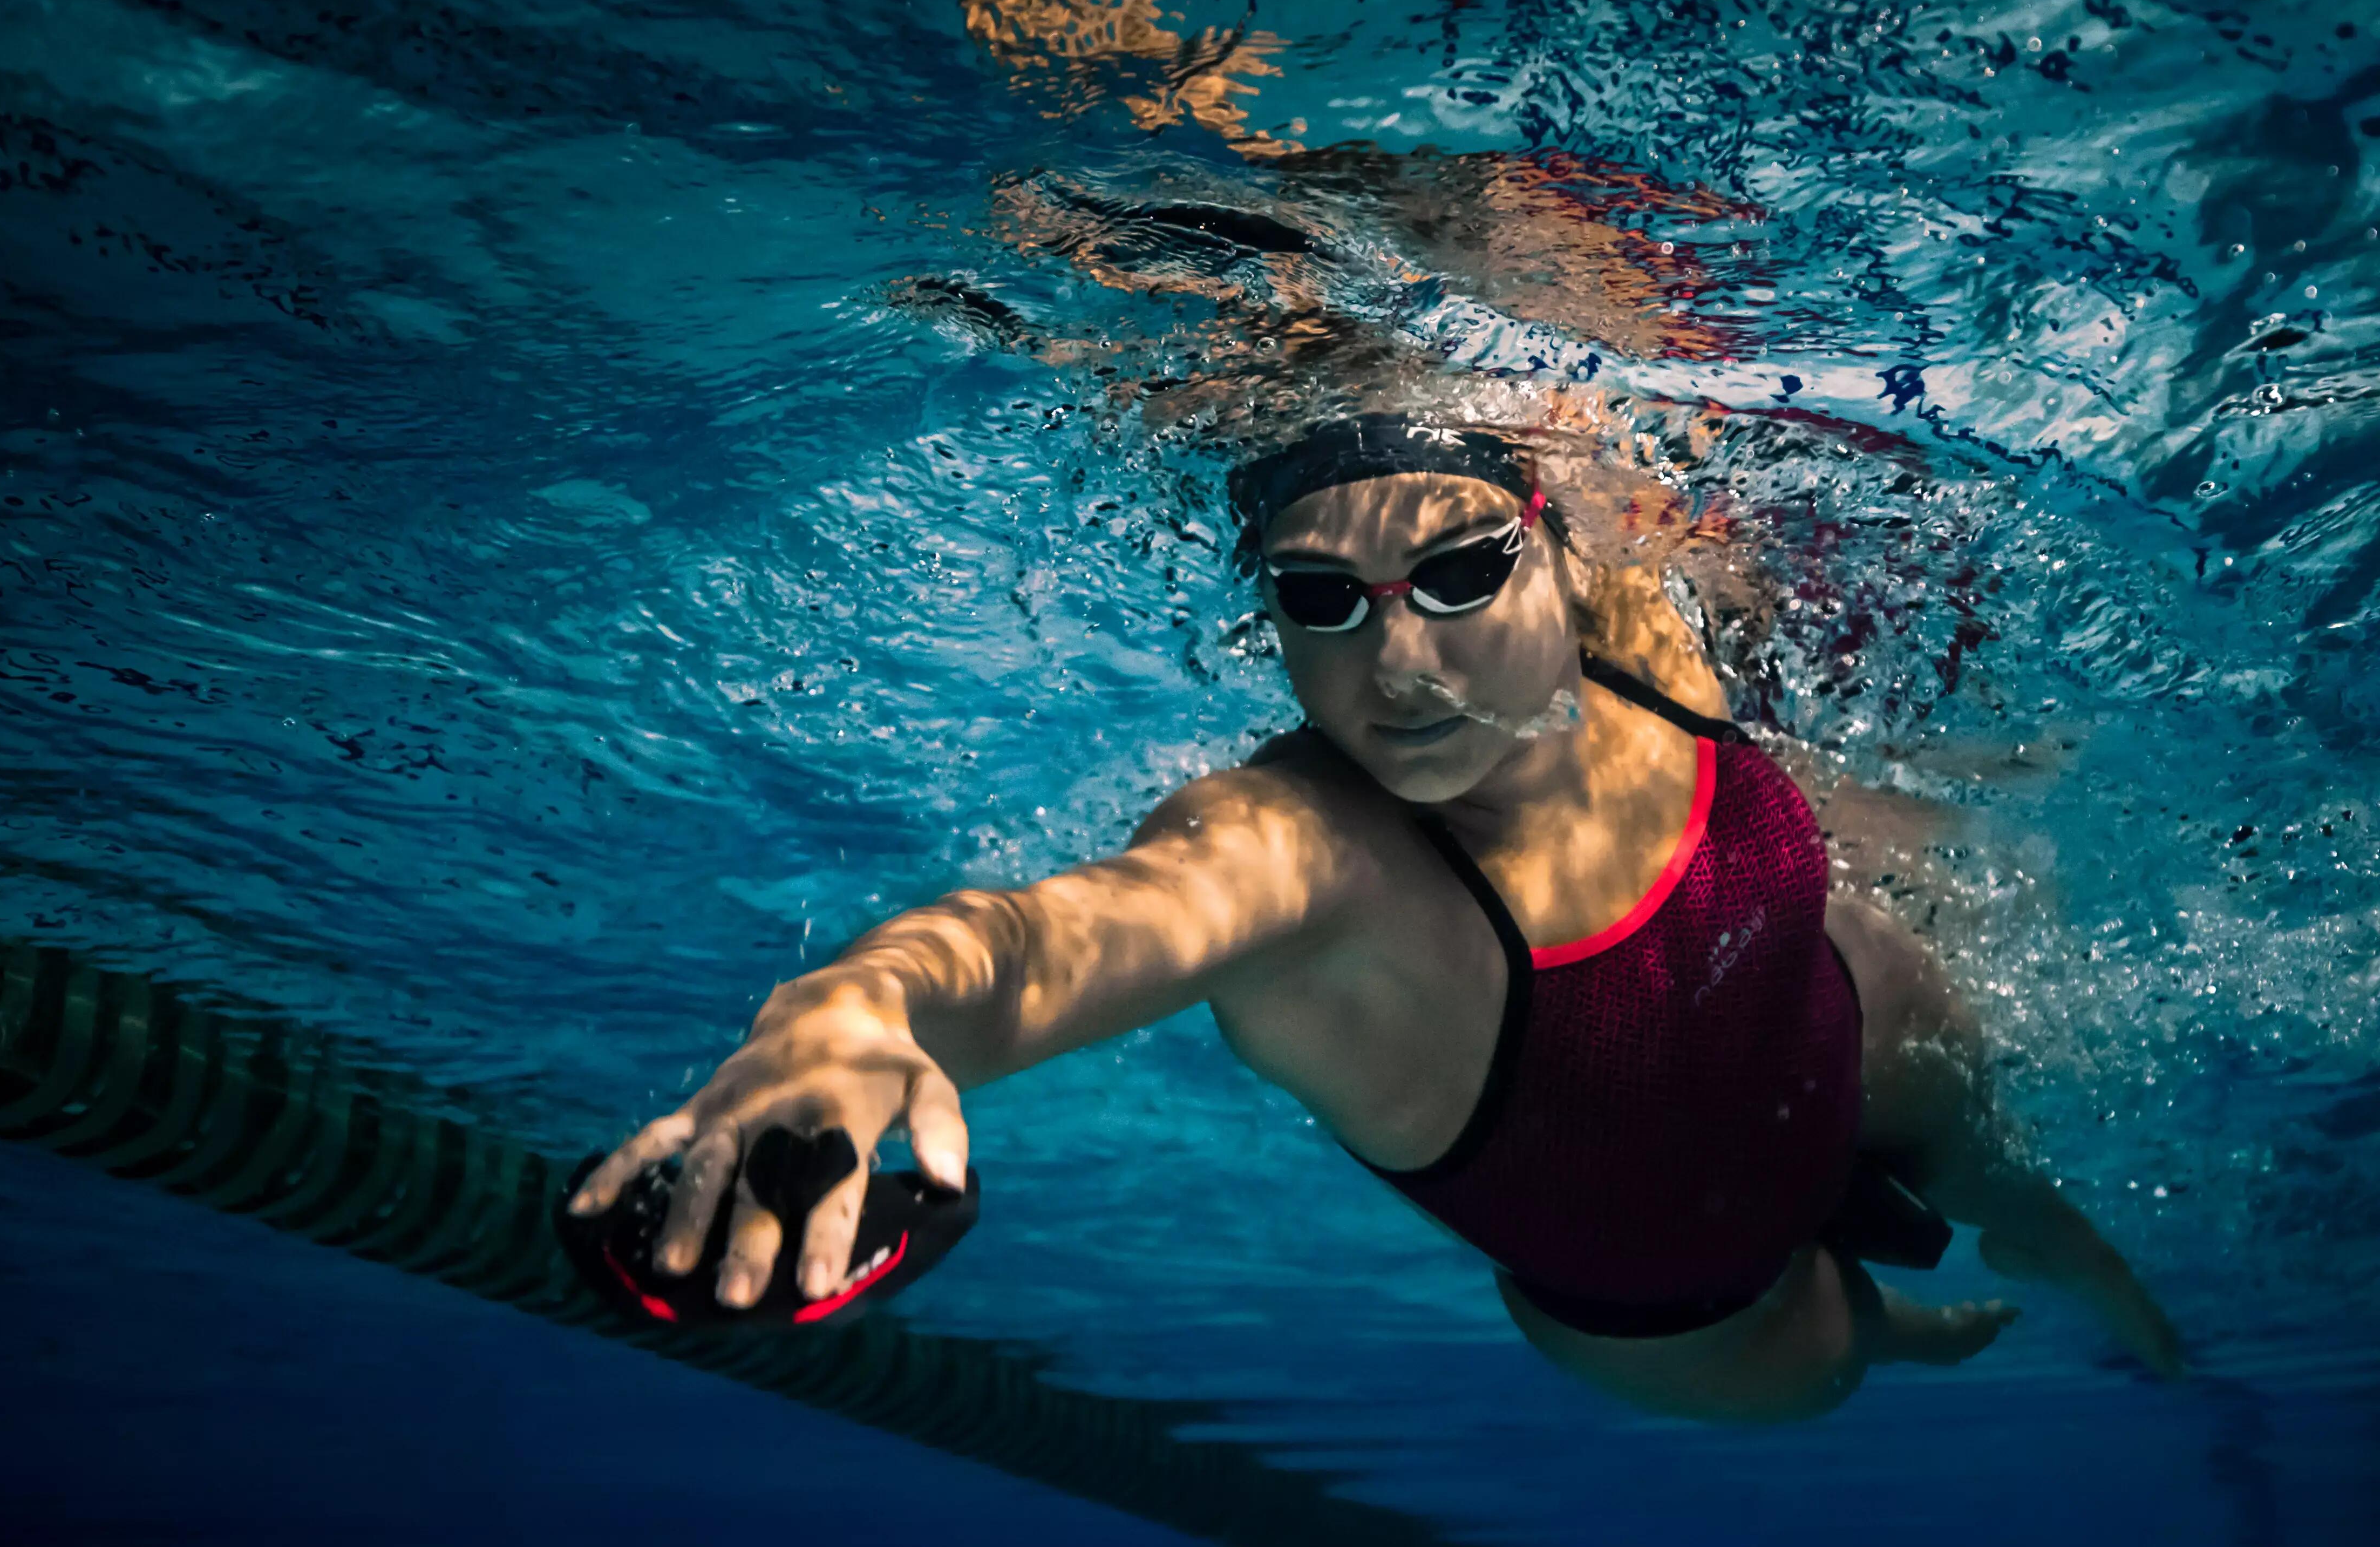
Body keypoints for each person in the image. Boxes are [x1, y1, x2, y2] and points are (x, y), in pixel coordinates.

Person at [570, 415, 2182, 1421]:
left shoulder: (1636, 637)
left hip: (1856, 1045)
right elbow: (1055, 938)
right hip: (1705, 1311)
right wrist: (851, 1014)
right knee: (1828, 1357)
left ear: (1558, 553)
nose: (1398, 669)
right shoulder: (1303, 859)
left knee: (1982, 1147)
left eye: (1461, 576)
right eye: (1321, 600)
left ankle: (2032, 1227)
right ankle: (1898, 1328)